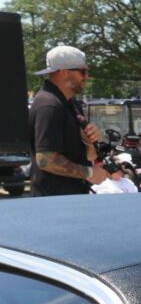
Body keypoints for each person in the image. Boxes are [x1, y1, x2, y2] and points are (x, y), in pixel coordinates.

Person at [28, 45, 107, 196]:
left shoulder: (72, 104)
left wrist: (89, 142)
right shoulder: (49, 105)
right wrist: (89, 173)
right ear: (64, 73)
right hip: (53, 202)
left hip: (72, 197)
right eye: (82, 72)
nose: (86, 77)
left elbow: (89, 156)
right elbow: (45, 159)